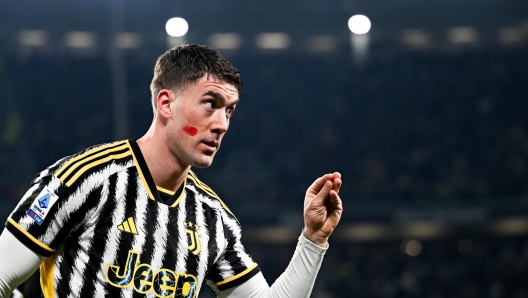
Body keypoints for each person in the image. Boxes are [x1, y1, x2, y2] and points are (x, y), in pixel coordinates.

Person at [0, 44, 343, 298]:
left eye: (229, 111)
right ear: (166, 103)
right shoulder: (84, 180)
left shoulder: (213, 218)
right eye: (211, 104)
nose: (222, 124)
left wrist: (313, 239)